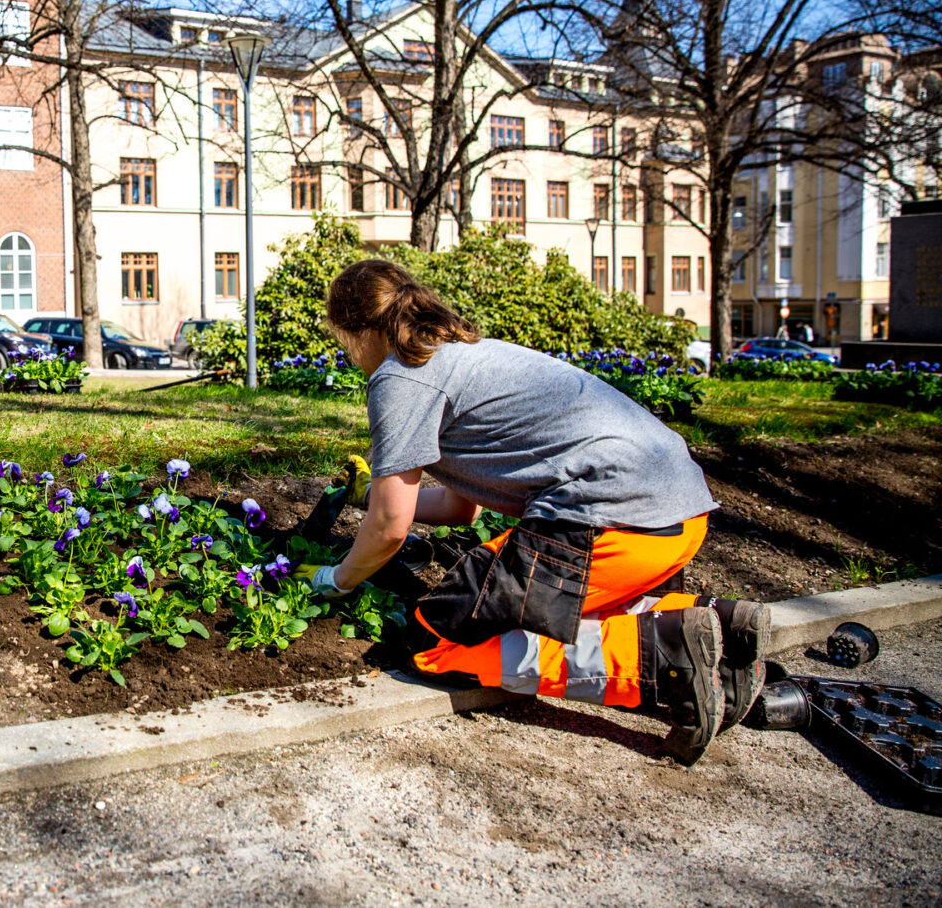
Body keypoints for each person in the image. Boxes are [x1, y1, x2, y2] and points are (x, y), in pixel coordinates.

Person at [304, 259, 769, 765]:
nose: (350, 357)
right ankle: (719, 631)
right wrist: (368, 494)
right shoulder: (467, 354)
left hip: (607, 518)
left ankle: (667, 661)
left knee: (433, 640)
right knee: (529, 609)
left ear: (365, 330)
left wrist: (337, 579)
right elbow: (461, 508)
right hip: (675, 520)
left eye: (345, 342)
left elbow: (391, 529)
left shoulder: (401, 377)